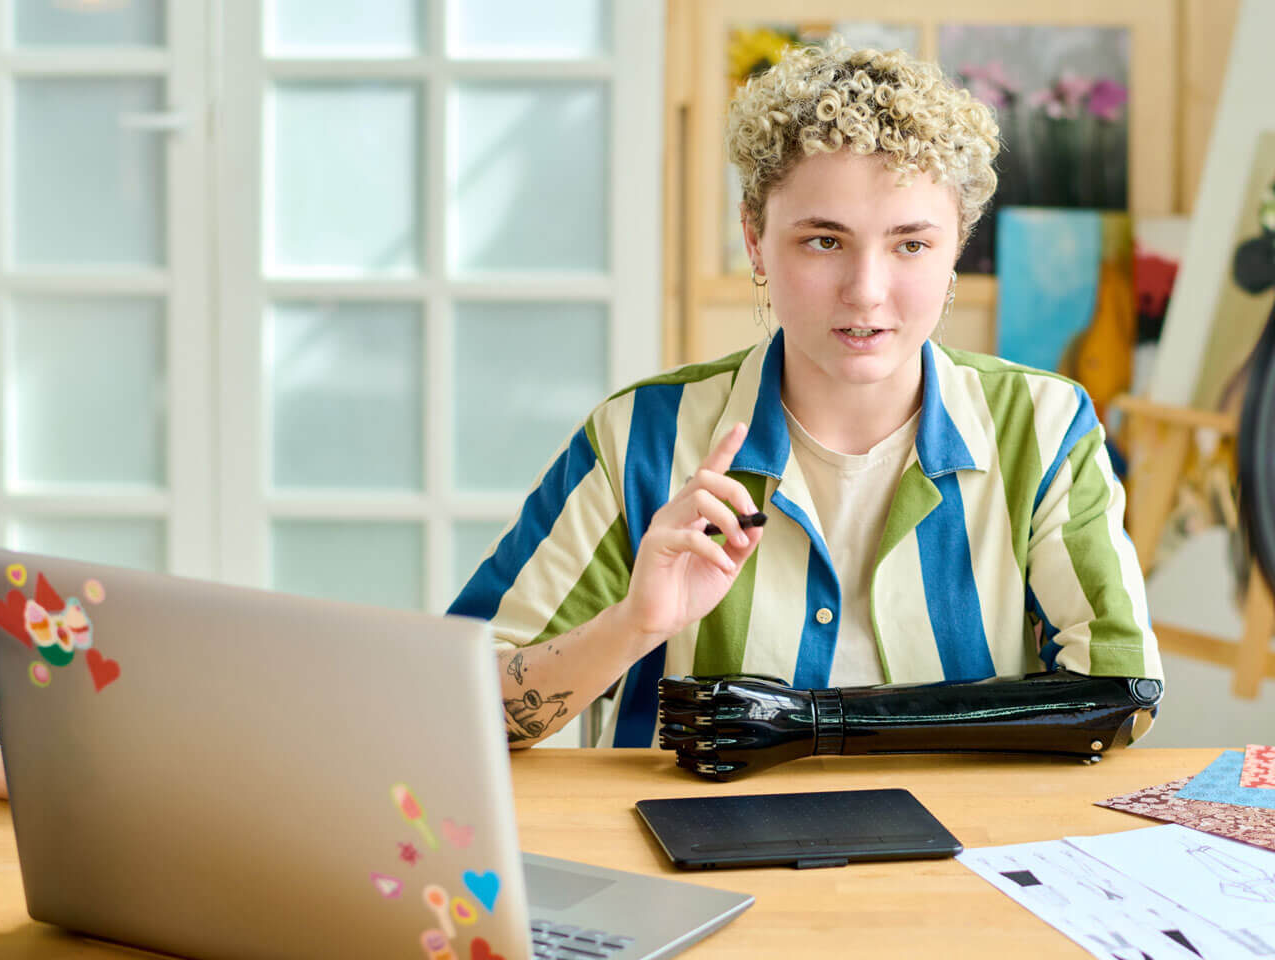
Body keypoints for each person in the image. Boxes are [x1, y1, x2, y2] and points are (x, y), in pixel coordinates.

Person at [449, 40, 1163, 780]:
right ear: (755, 240)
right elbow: (452, 707)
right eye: (824, 241)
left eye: (911, 245)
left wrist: (821, 725)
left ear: (957, 247)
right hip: (685, 862)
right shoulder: (642, 439)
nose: (866, 290)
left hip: (970, 860)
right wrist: (636, 625)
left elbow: (1121, 694)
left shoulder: (1043, 428)